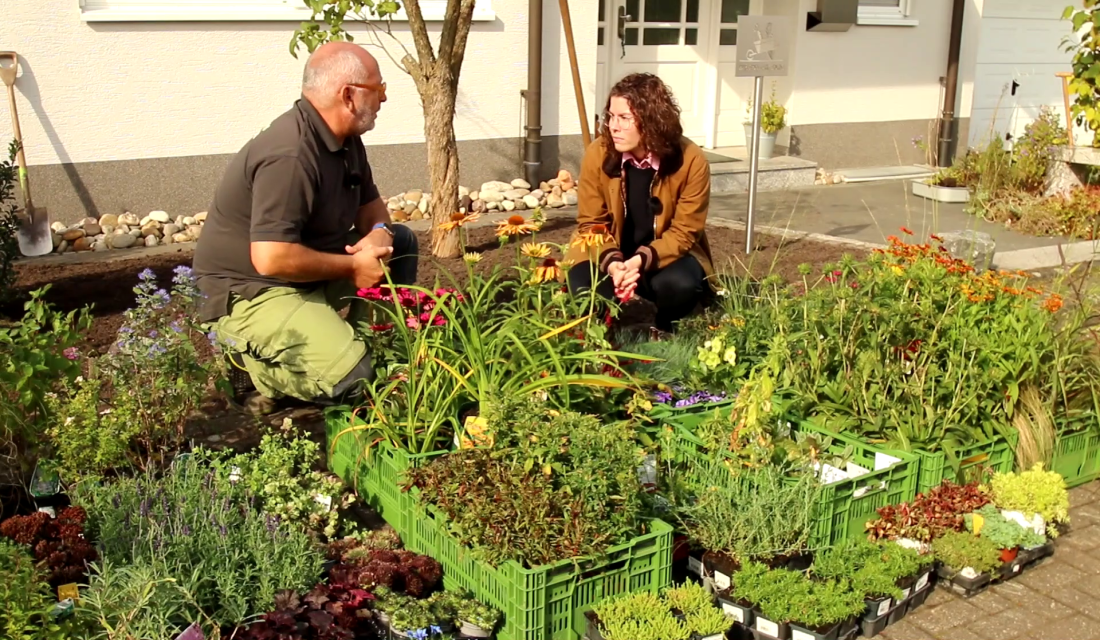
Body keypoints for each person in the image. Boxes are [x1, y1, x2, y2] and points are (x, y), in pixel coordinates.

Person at [192, 41, 418, 415]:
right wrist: (352, 267)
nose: (384, 99)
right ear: (348, 95)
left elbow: (374, 211)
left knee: (402, 242)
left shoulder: (345, 140)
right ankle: (255, 371)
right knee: (357, 381)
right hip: (253, 291)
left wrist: (380, 231)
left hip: (305, 276)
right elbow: (270, 258)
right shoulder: (290, 155)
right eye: (379, 89)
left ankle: (368, 349)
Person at [564, 72, 714, 334]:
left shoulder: (690, 160)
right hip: (606, 252)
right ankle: (601, 338)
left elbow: (685, 232)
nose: (614, 126)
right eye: (611, 116)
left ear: (652, 120)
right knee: (583, 288)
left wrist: (638, 262)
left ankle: (668, 329)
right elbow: (591, 223)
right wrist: (614, 264)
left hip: (664, 255)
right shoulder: (597, 153)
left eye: (624, 118)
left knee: (680, 284)